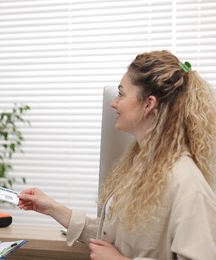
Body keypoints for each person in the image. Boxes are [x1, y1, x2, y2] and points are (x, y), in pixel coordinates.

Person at [17, 50, 216, 259]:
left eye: (121, 93)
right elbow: (115, 237)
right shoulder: (140, 165)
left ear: (148, 104)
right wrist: (52, 208)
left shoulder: (188, 184)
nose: (114, 103)